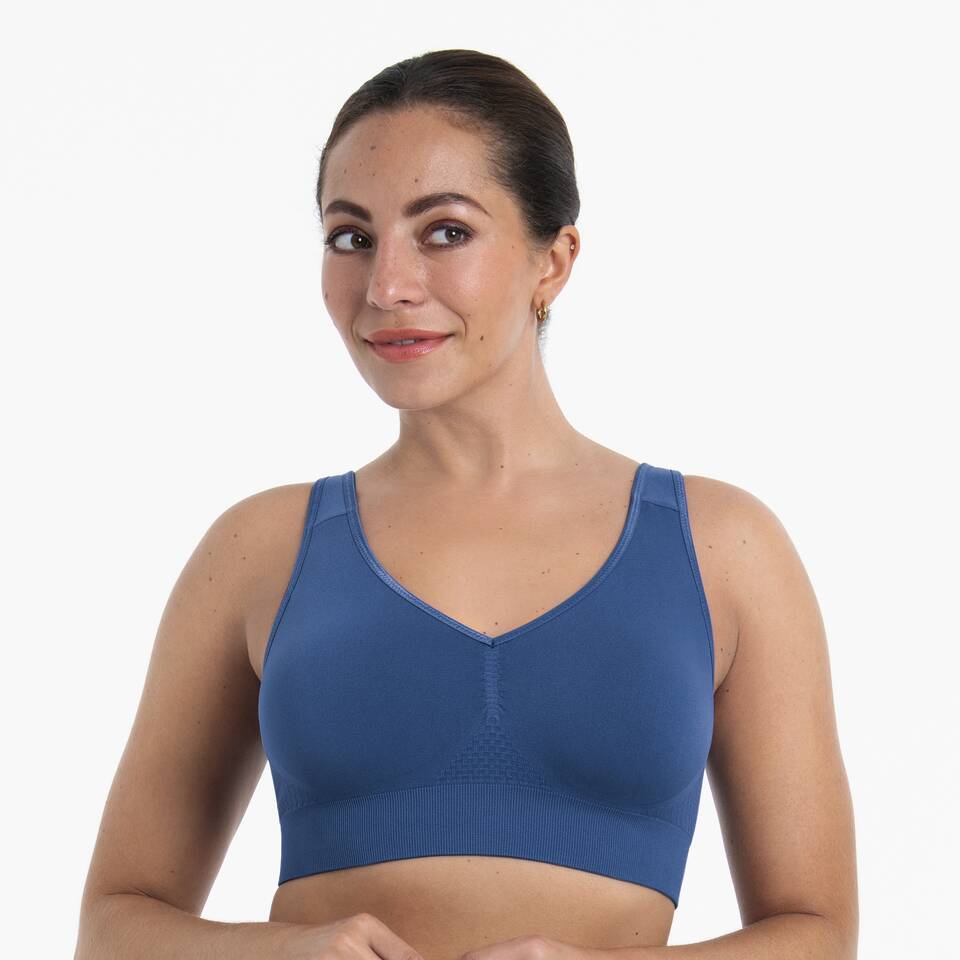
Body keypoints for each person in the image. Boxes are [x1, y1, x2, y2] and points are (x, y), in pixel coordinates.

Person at [74, 49, 858, 960]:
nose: (387, 287)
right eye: (351, 237)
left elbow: (820, 935)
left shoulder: (723, 548)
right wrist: (287, 953)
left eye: (444, 232)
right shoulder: (261, 550)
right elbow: (112, 927)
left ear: (553, 260)